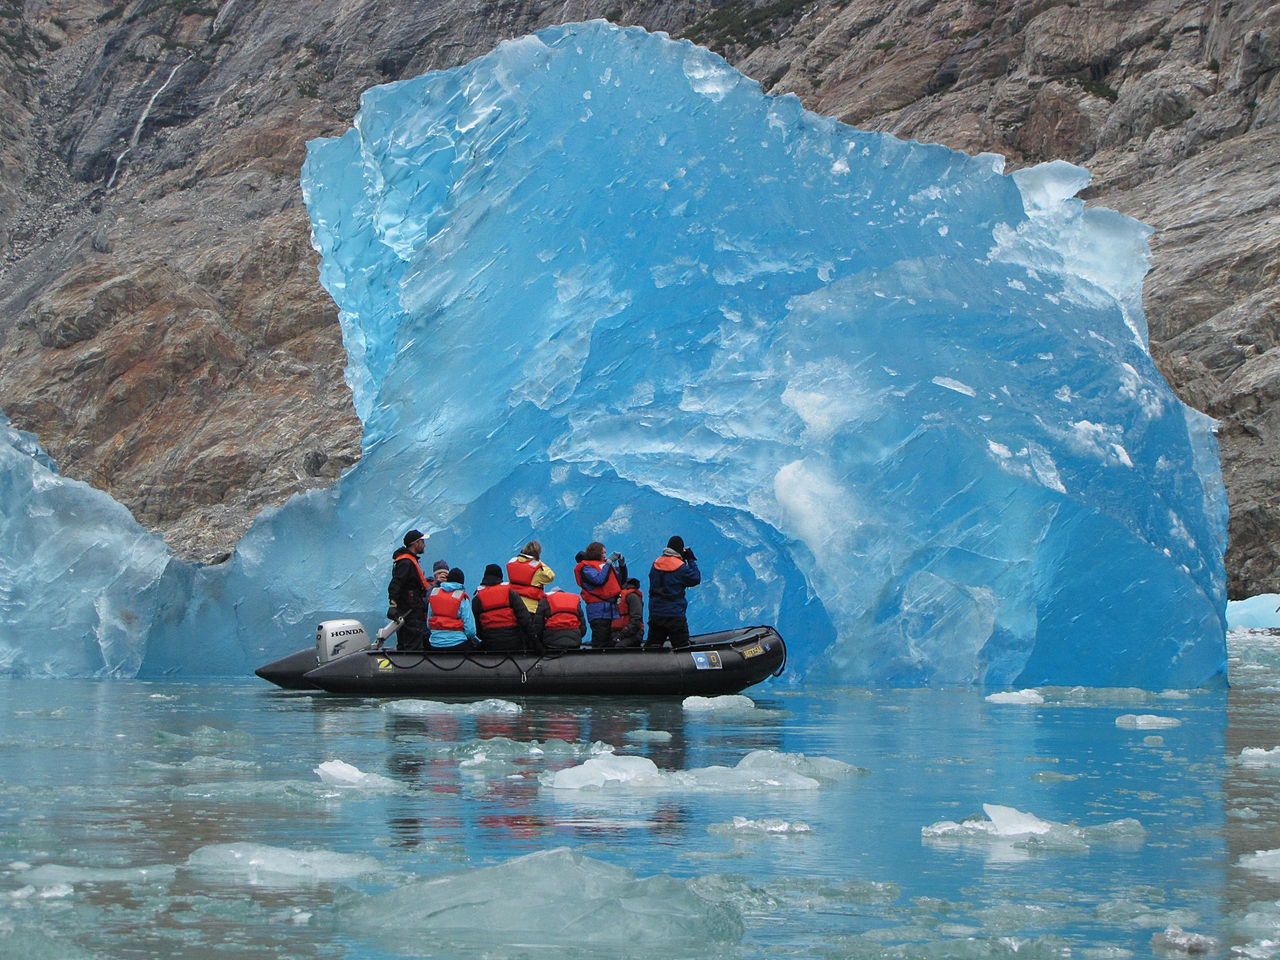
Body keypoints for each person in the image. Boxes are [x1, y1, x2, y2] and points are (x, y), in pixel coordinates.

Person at [645, 535, 701, 650]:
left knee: (652, 648)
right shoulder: (680, 567)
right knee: (682, 648)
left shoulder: (655, 564)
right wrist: (690, 559)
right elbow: (695, 578)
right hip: (674, 615)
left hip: (656, 614)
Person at [472, 563, 534, 652]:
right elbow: (525, 619)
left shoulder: (477, 599)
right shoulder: (510, 593)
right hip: (514, 642)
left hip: (490, 644)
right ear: (500, 577)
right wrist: (534, 641)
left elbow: (477, 627)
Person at [574, 542, 626, 648]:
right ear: (596, 553)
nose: (605, 555)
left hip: (610, 609)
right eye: (603, 553)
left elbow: (621, 581)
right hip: (597, 610)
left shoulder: (603, 565)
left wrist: (622, 564)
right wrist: (609, 563)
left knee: (610, 642)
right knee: (600, 640)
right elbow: (599, 580)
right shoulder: (586, 568)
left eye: (605, 553)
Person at [387, 529, 431, 651]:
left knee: (405, 643)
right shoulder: (406, 562)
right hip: (410, 611)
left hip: (410, 609)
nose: (424, 545)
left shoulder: (406, 561)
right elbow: (396, 583)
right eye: (422, 541)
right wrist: (393, 605)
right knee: (413, 644)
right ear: (416, 543)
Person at [427, 567, 478, 649]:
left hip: (434, 643)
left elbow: (428, 624)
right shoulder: (462, 598)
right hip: (458, 644)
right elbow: (470, 631)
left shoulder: (434, 595)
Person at [507, 540, 556, 614]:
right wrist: (538, 561)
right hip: (531, 608)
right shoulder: (537, 568)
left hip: (513, 605)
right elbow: (551, 577)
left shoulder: (512, 562)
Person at [611, 577, 645, 647]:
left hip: (633, 634)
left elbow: (636, 620)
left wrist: (621, 635)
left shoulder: (632, 596)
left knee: (619, 646)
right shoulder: (618, 596)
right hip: (618, 632)